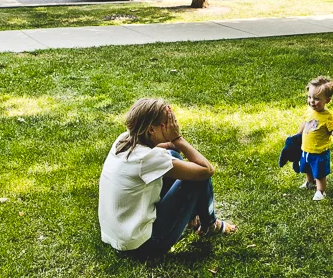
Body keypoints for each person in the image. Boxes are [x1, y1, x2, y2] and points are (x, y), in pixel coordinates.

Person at [98, 98, 235, 257]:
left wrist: (172, 142)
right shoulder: (148, 159)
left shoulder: (123, 140)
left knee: (172, 155)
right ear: (151, 130)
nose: (171, 125)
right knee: (197, 178)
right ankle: (210, 225)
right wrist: (178, 138)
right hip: (144, 245)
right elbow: (206, 170)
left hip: (119, 236)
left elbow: (168, 149)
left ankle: (192, 218)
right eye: (166, 123)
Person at [293, 76, 333, 200]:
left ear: (327, 100)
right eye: (309, 97)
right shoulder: (310, 111)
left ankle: (321, 191)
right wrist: (297, 135)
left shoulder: (327, 117)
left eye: (316, 99)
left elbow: (332, 129)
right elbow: (305, 123)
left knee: (319, 173)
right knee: (307, 168)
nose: (311, 101)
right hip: (306, 149)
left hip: (319, 152)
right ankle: (309, 182)